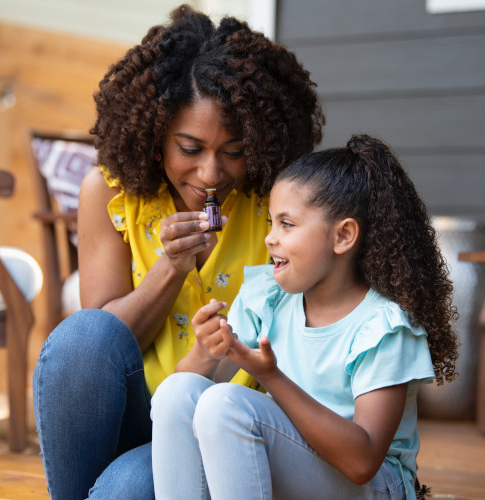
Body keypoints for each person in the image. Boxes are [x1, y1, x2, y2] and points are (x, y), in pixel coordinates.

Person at [32, 4, 324, 500]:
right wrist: (169, 268)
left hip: (222, 426)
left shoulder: (280, 199)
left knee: (126, 489)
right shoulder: (109, 193)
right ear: (154, 136)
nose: (211, 174)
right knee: (82, 334)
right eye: (190, 149)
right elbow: (101, 346)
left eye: (234, 151)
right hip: (132, 412)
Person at [151, 134, 459, 500]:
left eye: (287, 224)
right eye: (270, 223)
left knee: (226, 404)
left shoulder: (384, 327)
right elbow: (176, 408)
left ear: (343, 236)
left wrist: (271, 377)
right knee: (176, 391)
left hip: (375, 487)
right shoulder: (267, 296)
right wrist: (207, 349)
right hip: (303, 469)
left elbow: (363, 462)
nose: (269, 238)